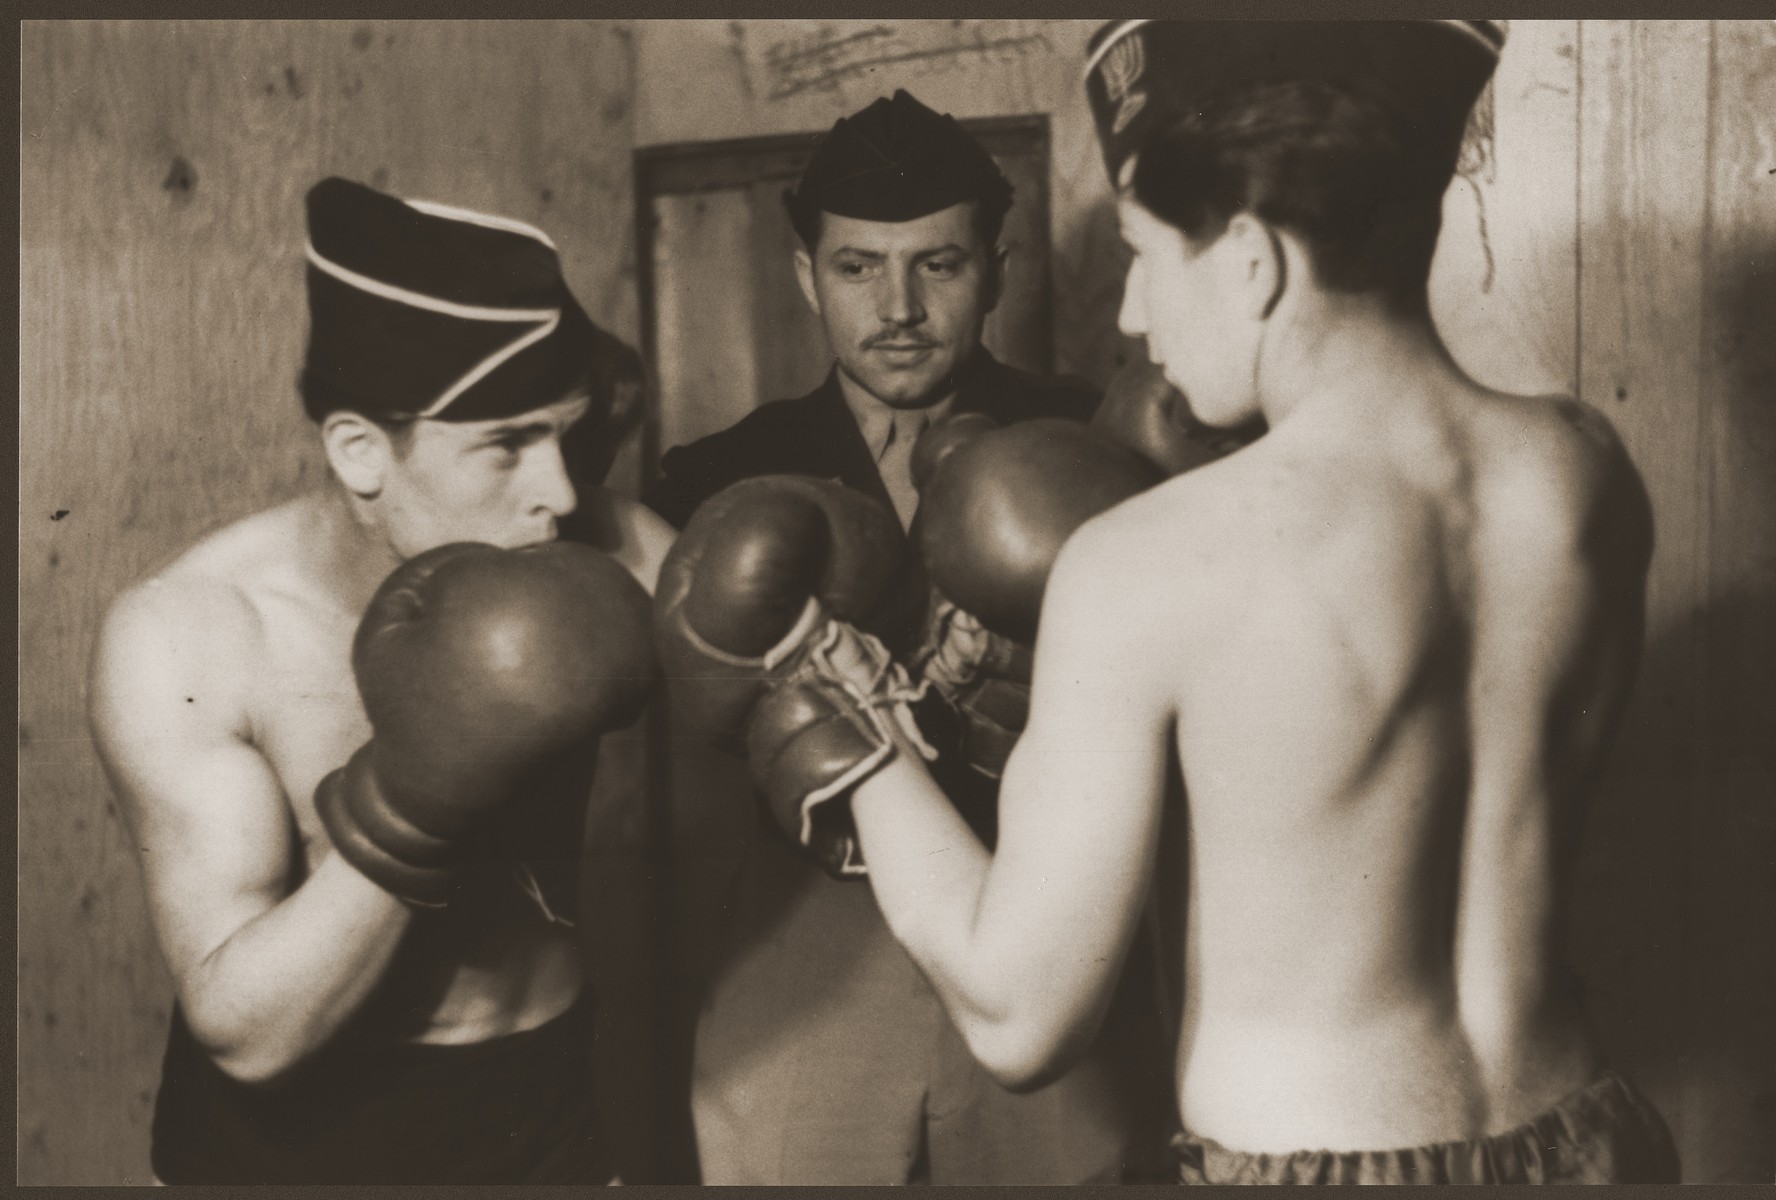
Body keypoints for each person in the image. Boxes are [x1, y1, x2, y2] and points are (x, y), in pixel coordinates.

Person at [814, 20, 1681, 1186]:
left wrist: (838, 717)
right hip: (1592, 1136)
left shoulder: (1150, 563)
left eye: (1141, 252)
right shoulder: (1584, 471)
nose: (1129, 314)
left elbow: (1020, 1018)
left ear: (1250, 260)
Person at [87, 177, 674, 1184]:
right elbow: (245, 1034)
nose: (562, 491)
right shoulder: (193, 634)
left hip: (548, 1108)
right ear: (362, 451)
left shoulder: (610, 555)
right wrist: (415, 789)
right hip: (290, 1145)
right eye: (506, 445)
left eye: (566, 434)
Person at [642, 89, 1173, 1185]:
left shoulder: (1084, 445)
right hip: (802, 933)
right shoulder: (715, 477)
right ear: (805, 279)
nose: (898, 306)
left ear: (996, 273)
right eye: (856, 268)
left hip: (1045, 913)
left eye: (937, 265)